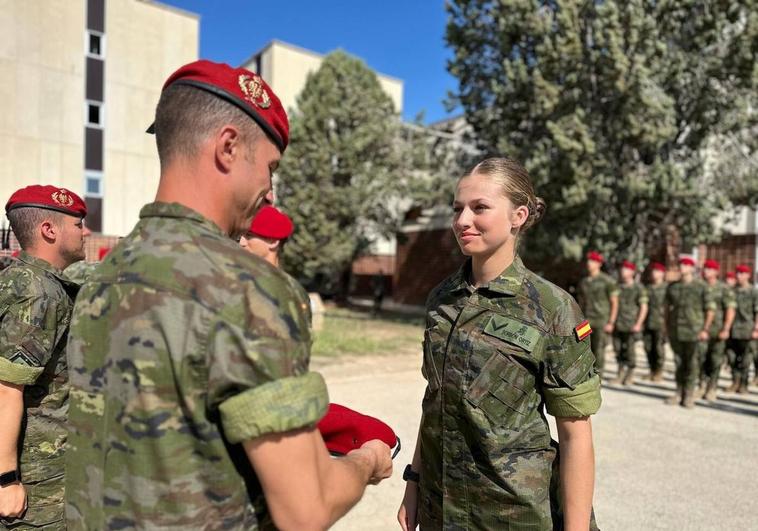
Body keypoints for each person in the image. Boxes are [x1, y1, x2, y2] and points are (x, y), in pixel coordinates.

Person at [64, 60, 392, 531]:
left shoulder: (97, 278)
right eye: (270, 168)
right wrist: (366, 460)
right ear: (229, 147)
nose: (270, 191)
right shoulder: (247, 289)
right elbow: (306, 509)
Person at [398, 157, 601, 530]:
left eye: (480, 208)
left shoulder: (552, 308)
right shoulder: (442, 299)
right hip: (439, 509)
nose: (462, 221)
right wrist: (413, 483)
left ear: (518, 216)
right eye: (458, 208)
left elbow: (575, 436)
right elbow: (435, 401)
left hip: (512, 514)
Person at [0, 185, 90, 529]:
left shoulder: (21, 279)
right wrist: (6, 479)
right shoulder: (38, 292)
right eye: (78, 224)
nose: (85, 232)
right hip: (36, 475)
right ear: (49, 230)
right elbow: (7, 388)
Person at [239, 205, 311, 323]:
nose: (241, 242)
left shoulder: (292, 293)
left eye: (249, 236)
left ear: (273, 242)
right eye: (241, 235)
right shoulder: (237, 280)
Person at [664, 257, 715, 408]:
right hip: (676, 330)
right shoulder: (672, 287)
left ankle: (689, 394)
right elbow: (666, 309)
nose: (682, 267)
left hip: (694, 332)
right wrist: (666, 327)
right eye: (681, 264)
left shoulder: (702, 287)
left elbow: (710, 310)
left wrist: (705, 329)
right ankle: (679, 391)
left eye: (686, 264)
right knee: (679, 363)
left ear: (692, 268)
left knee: (692, 364)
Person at [577, 250, 619, 378]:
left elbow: (614, 303)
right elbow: (581, 302)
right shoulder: (583, 282)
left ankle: (597, 374)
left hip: (601, 320)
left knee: (599, 348)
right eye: (588, 260)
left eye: (593, 261)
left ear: (599, 264)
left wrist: (611, 322)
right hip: (585, 321)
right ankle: (584, 373)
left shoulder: (607, 281)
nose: (589, 263)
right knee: (582, 347)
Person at [699, 259, 735, 401]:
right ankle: (701, 385)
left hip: (717, 330)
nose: (706, 271)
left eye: (709, 269)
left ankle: (711, 388)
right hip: (701, 330)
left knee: (715, 360)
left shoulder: (724, 289)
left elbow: (730, 310)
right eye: (705, 268)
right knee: (700, 359)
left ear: (716, 272)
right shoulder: (699, 287)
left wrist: (726, 328)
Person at [611, 260, 648, 385]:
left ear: (632, 272)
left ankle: (630, 373)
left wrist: (638, 323)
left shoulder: (638, 288)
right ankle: (620, 372)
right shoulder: (617, 286)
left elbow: (643, 307)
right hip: (618, 323)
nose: (623, 272)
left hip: (631, 324)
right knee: (617, 349)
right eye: (622, 269)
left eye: (626, 269)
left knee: (630, 350)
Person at [726, 264, 758, 394]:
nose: (738, 276)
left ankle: (743, 384)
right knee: (731, 358)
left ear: (748, 276)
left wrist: (756, 328)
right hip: (732, 330)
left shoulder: (753, 292)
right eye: (737, 273)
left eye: (741, 273)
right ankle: (735, 381)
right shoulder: (731, 291)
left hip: (747, 330)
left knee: (746, 360)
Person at [643, 262, 668, 381]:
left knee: (659, 348)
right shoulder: (647, 288)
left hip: (661, 323)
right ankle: (651, 370)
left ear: (663, 273)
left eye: (657, 271)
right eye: (653, 271)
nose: (654, 273)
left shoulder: (667, 288)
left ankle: (659, 371)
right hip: (648, 322)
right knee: (648, 347)